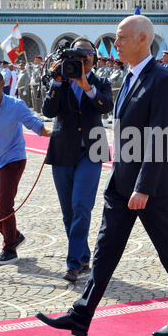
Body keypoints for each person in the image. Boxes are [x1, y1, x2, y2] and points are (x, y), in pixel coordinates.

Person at [36, 15, 168, 336]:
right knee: (105, 251)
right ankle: (81, 316)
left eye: (122, 38)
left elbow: (160, 136)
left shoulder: (161, 78)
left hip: (147, 187)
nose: (116, 43)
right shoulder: (130, 75)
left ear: (142, 40)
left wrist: (143, 187)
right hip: (121, 182)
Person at [41, 37, 113, 283]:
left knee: (82, 206)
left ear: (94, 57)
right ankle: (82, 255)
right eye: (79, 53)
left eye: (88, 53)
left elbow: (106, 106)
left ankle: (73, 264)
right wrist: (56, 82)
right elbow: (48, 111)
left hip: (91, 152)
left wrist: (86, 87)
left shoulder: (100, 82)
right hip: (62, 151)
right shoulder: (60, 80)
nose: (84, 58)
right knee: (68, 211)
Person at [0, 70, 51, 265]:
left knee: (4, 204)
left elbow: (37, 126)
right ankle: (15, 236)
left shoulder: (15, 106)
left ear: (2, 84)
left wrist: (59, 132)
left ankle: (9, 248)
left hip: (13, 159)